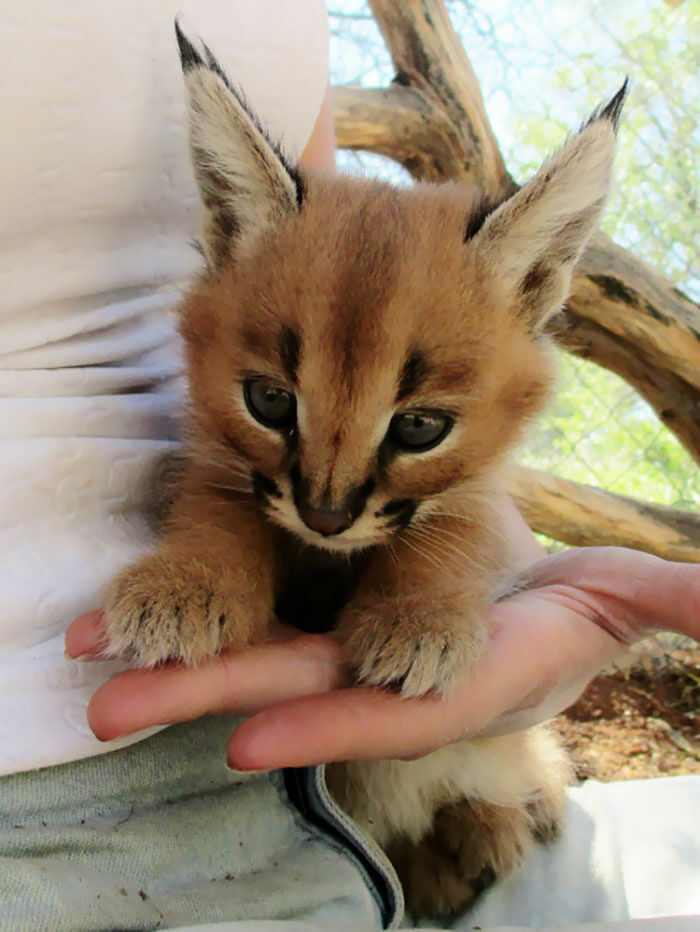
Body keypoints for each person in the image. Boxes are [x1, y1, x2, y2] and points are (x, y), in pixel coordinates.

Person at [1, 0, 698, 929]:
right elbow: (227, 463)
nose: (326, 500)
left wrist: (495, 598)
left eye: (414, 429)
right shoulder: (257, 291)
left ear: (538, 284)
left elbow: (362, 294)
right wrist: (212, 563)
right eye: (276, 406)